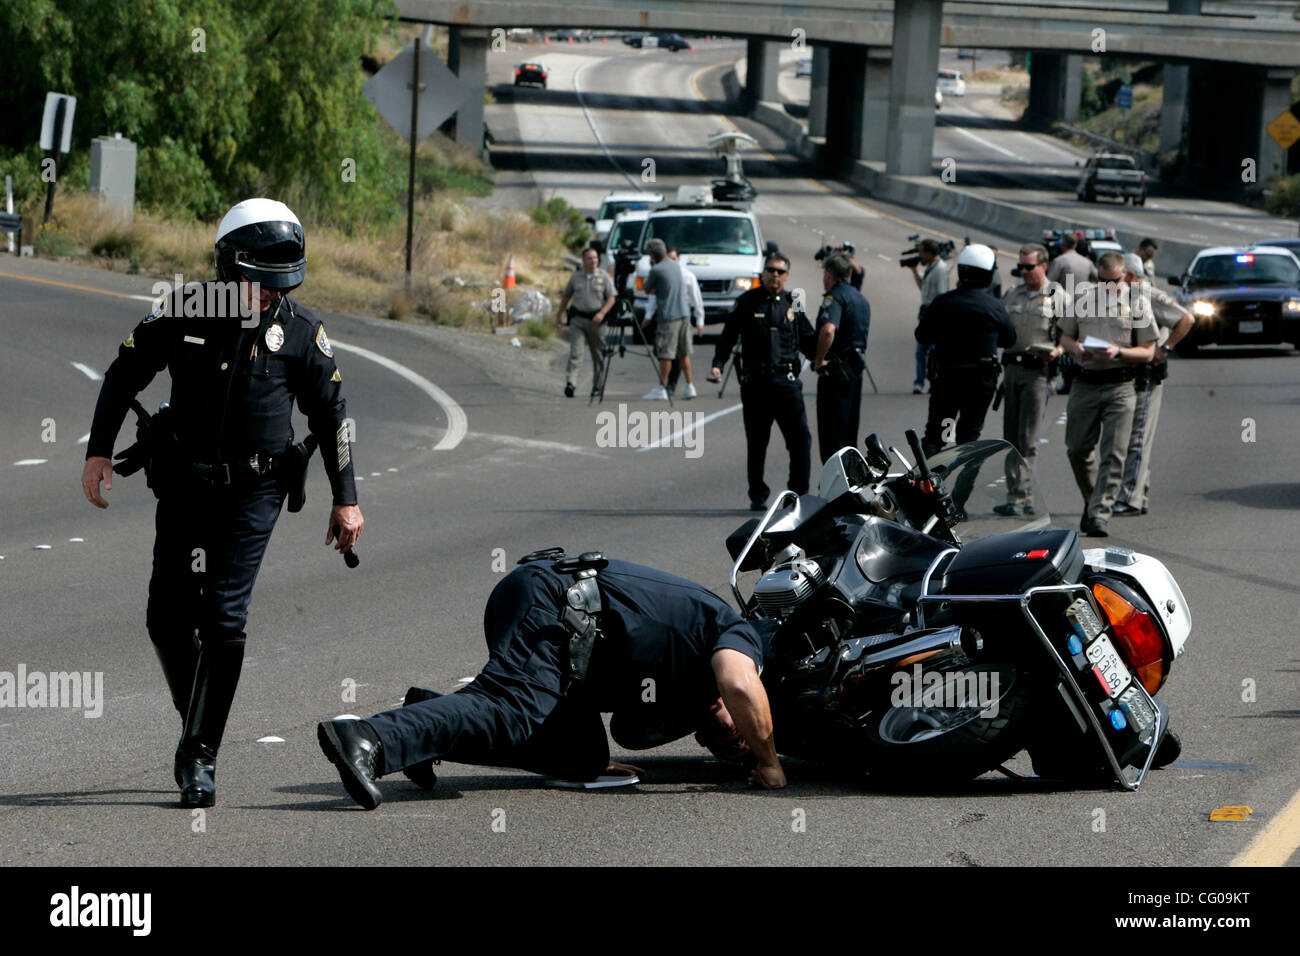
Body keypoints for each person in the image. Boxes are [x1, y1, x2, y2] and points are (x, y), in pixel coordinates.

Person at [80, 198, 363, 808]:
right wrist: (97, 450)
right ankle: (199, 719)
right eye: (258, 284)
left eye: (278, 287)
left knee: (223, 620)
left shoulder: (303, 333)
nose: (267, 296)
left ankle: (199, 755)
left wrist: (346, 500)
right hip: (183, 483)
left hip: (254, 493)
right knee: (165, 618)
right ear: (227, 269)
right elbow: (123, 374)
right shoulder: (184, 310)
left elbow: (332, 415)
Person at [317, 552, 786, 809]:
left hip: (569, 637)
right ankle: (367, 737)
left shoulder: (681, 690)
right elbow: (741, 686)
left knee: (581, 757)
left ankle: (425, 720)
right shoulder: (736, 631)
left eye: (722, 747)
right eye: (741, 733)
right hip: (558, 602)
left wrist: (593, 762)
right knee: (512, 710)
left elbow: (632, 726)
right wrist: (767, 762)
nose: (732, 739)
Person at [1057, 251, 1158, 537]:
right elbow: (1065, 336)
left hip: (1121, 385)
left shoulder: (1137, 303)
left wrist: (1120, 351)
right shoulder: (1083, 299)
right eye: (1102, 280)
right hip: (1085, 383)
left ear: (1124, 275)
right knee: (1077, 449)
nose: (1107, 286)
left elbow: (1148, 350)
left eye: (1112, 281)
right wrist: (1076, 349)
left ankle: (1100, 513)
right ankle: (1093, 502)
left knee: (1114, 455)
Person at [709, 252, 815, 510]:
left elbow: (808, 338)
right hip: (756, 384)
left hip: (787, 383)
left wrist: (824, 357)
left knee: (800, 440)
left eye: (780, 271)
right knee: (757, 443)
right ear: (762, 274)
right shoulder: (746, 302)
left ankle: (798, 494)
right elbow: (728, 337)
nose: (775, 275)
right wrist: (717, 364)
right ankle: (757, 494)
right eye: (770, 270)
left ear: (787, 276)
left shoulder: (794, 301)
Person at [916, 244, 1015, 458]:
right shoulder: (994, 306)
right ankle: (961, 486)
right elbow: (1010, 339)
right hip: (979, 382)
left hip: (947, 378)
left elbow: (922, 336)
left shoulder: (944, 302)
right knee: (969, 437)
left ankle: (929, 485)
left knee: (937, 435)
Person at [1113, 253, 1193, 517]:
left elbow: (1186, 319)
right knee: (1134, 438)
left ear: (1132, 275)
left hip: (1147, 374)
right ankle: (1139, 494)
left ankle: (1129, 499)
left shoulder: (1148, 295)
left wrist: (1165, 348)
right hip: (1130, 372)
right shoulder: (1125, 296)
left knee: (1137, 438)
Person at [994, 243, 1064, 517]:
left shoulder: (1058, 296)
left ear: (1043, 266)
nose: (1023, 271)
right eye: (1020, 266)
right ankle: (1017, 493)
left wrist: (1057, 351)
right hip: (1012, 369)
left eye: (1028, 267)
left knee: (1028, 438)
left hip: (1039, 372)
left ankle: (1021, 495)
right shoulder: (1013, 294)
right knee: (1010, 437)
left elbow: (1071, 334)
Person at [813, 252, 871, 463]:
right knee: (849, 435)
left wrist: (819, 359)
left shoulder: (835, 297)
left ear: (829, 275)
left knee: (831, 439)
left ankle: (835, 489)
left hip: (835, 374)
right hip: (855, 373)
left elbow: (828, 330)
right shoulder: (860, 298)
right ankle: (851, 484)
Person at [556, 247, 616, 398]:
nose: (593, 261)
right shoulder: (576, 277)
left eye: (595, 258)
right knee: (576, 353)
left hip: (597, 322)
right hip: (578, 320)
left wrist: (602, 313)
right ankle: (571, 383)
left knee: (598, 355)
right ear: (583, 261)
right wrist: (559, 315)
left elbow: (611, 298)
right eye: (589, 258)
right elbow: (566, 296)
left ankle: (597, 386)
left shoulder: (604, 276)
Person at [641, 238, 697, 400]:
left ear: (652, 256)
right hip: (684, 314)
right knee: (683, 352)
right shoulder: (675, 266)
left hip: (669, 316)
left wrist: (653, 272)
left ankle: (662, 387)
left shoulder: (657, 270)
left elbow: (647, 289)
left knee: (666, 353)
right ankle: (689, 385)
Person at [655, 247, 705, 397]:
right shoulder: (663, 275)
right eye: (668, 259)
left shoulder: (687, 276)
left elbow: (697, 300)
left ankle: (678, 386)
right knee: (666, 352)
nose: (671, 262)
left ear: (679, 259)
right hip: (666, 316)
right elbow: (655, 298)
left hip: (681, 317)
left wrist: (700, 320)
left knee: (679, 353)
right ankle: (668, 386)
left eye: (674, 258)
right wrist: (648, 316)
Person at [907, 238, 950, 394]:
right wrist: (914, 271)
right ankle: (919, 382)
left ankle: (934, 380)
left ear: (929, 253)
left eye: (922, 253)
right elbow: (923, 288)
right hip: (925, 311)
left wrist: (937, 317)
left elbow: (942, 294)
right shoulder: (931, 267)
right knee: (921, 351)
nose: (920, 256)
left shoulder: (941, 269)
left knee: (933, 351)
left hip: (935, 314)